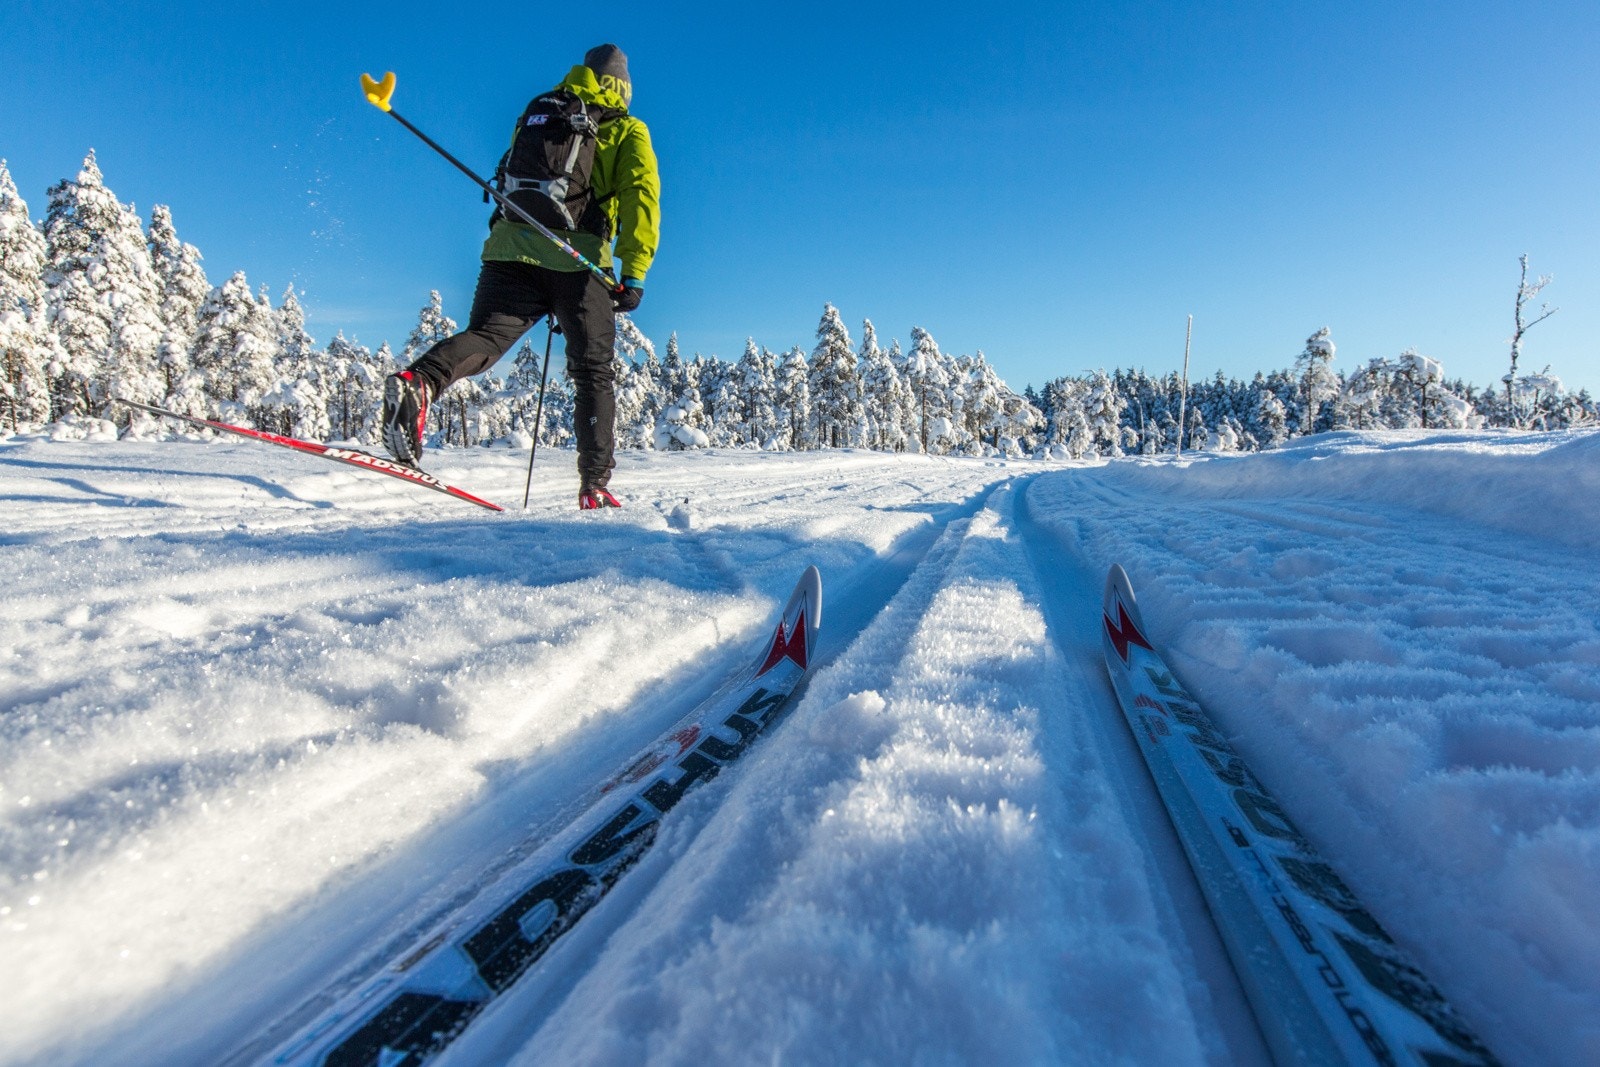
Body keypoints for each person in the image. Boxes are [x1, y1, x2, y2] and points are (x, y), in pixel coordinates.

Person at [381, 44, 660, 509]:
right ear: (623, 89)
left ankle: (420, 382)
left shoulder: (542, 112)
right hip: (577, 260)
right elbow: (640, 196)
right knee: (592, 372)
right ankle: (594, 485)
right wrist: (634, 272)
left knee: (486, 338)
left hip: (509, 248)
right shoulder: (626, 129)